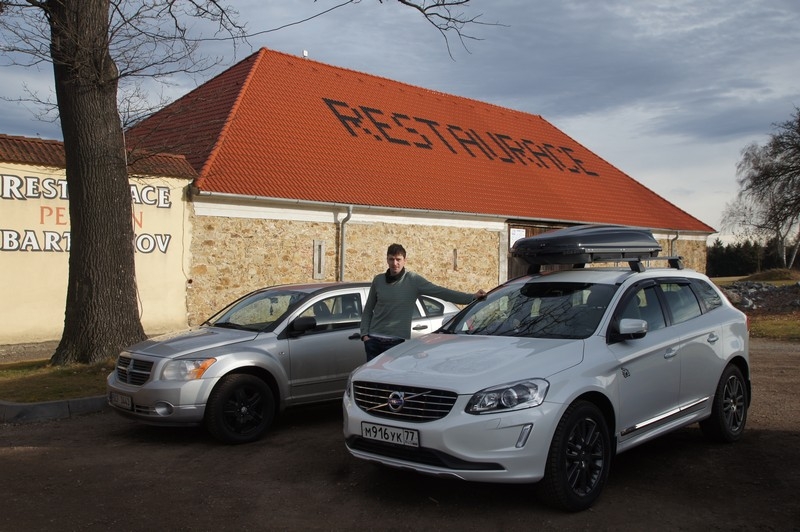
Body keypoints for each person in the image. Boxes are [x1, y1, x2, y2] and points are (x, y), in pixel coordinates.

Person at [360, 243, 487, 361]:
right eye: (391, 259)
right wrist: (365, 335)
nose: (395, 263)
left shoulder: (413, 280)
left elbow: (441, 292)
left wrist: (471, 297)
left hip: (395, 343)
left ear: (404, 260)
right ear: (387, 260)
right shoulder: (378, 280)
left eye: (398, 259)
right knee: (370, 375)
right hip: (373, 340)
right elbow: (368, 309)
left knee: (392, 376)